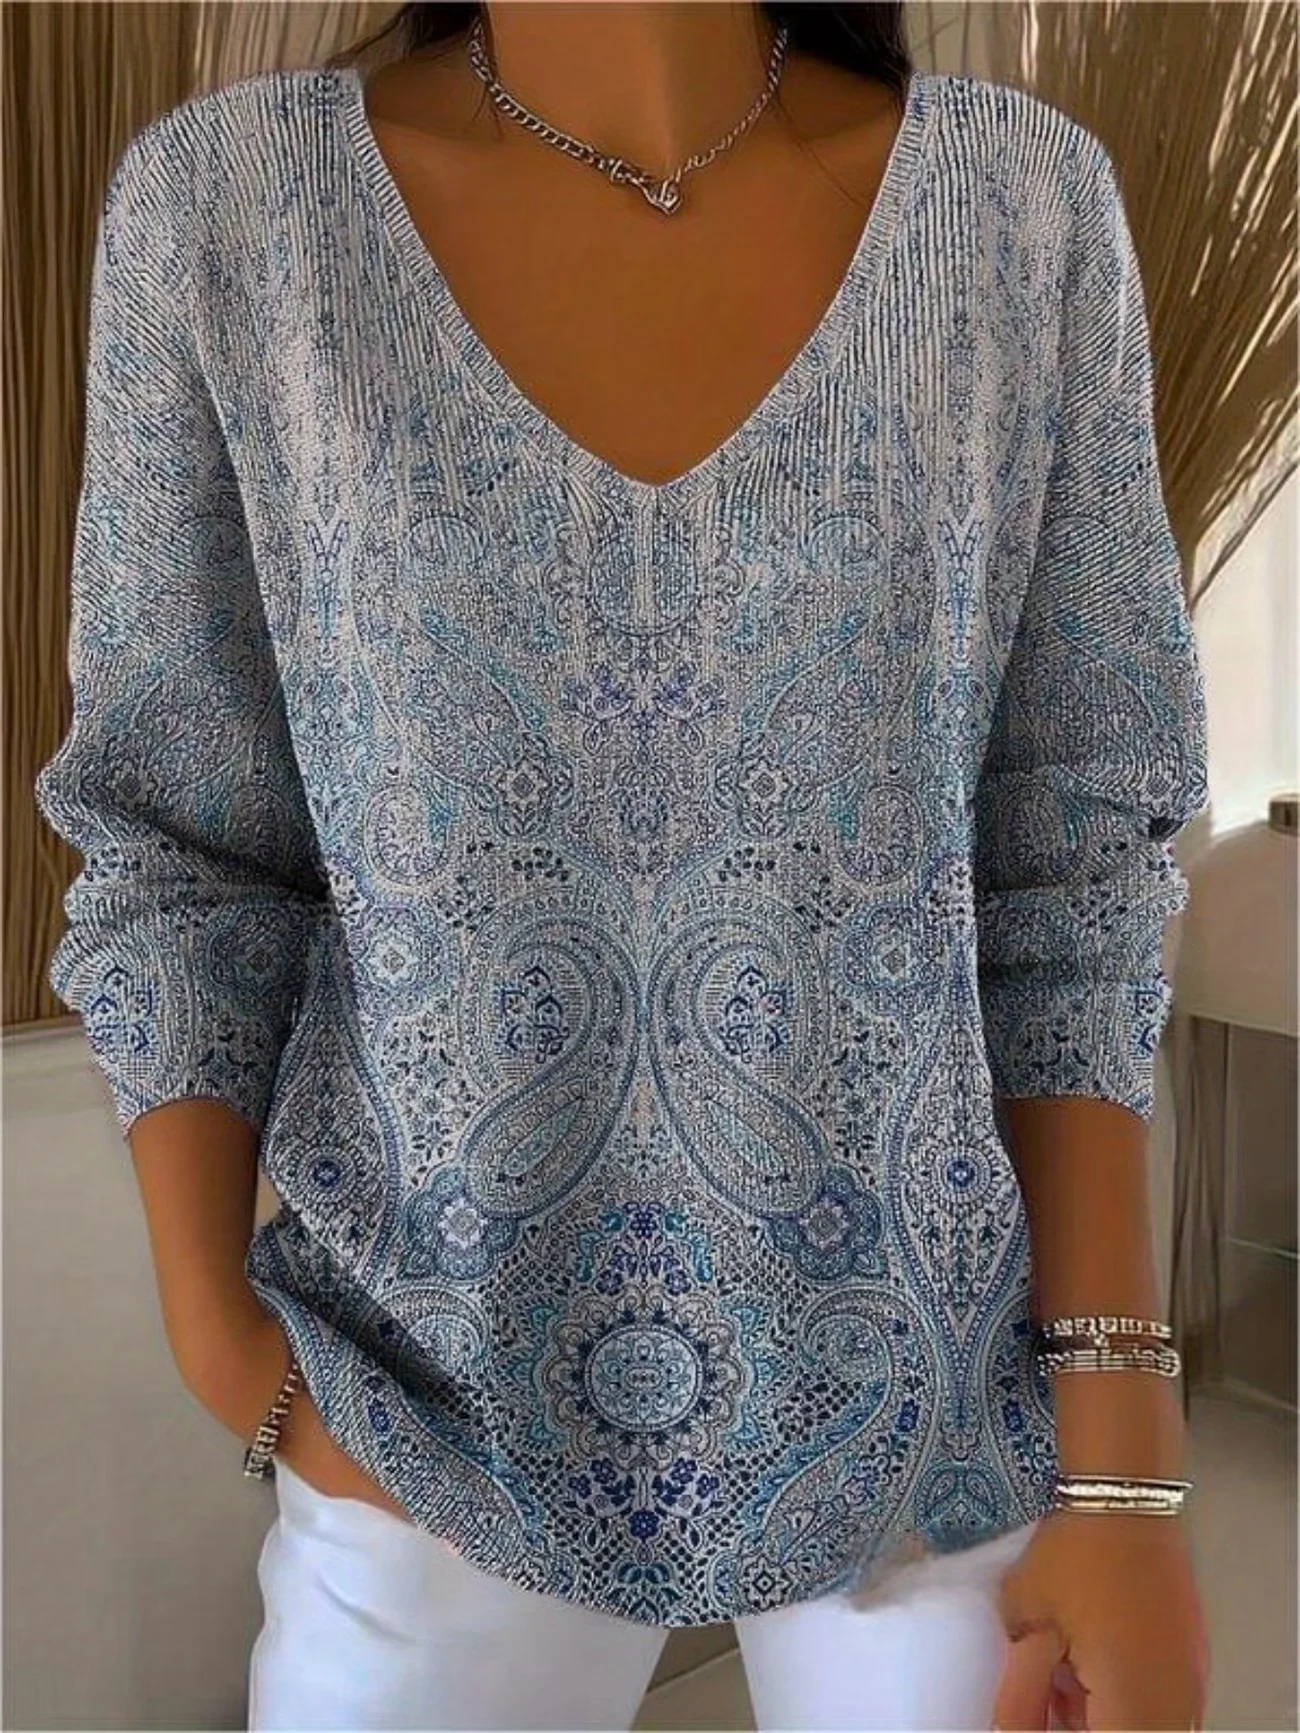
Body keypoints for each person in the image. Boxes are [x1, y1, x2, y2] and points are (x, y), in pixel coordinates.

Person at [33, 2, 1212, 1727]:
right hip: (426, 1404)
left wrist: (1124, 1482)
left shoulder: (1019, 215)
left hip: (938, 1416)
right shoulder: (231, 219)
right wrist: (233, 1355)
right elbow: (177, 842)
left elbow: (1072, 870)